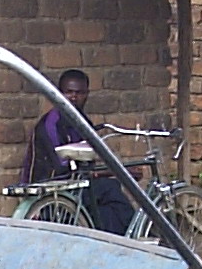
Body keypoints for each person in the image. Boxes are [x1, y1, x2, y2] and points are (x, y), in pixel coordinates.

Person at [23, 68, 130, 234]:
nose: (73, 97)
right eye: (69, 92)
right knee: (110, 188)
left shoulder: (82, 121)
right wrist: (111, 173)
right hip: (51, 189)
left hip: (75, 185)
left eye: (79, 93)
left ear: (87, 94)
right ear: (58, 93)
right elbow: (63, 167)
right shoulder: (51, 125)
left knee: (107, 212)